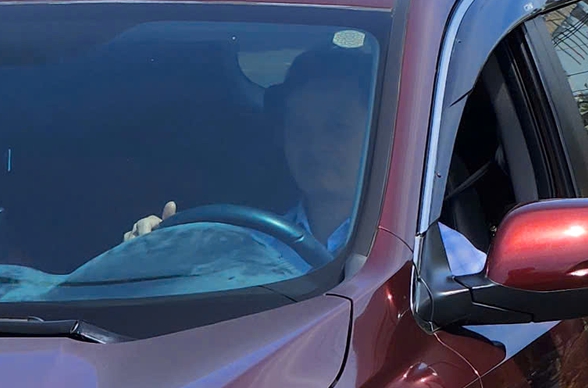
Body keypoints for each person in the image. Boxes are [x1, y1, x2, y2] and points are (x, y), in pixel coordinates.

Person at [122, 46, 484, 277]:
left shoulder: (436, 257)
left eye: (336, 127)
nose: (315, 144)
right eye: (299, 127)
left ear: (376, 134)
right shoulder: (242, 245)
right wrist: (155, 250)